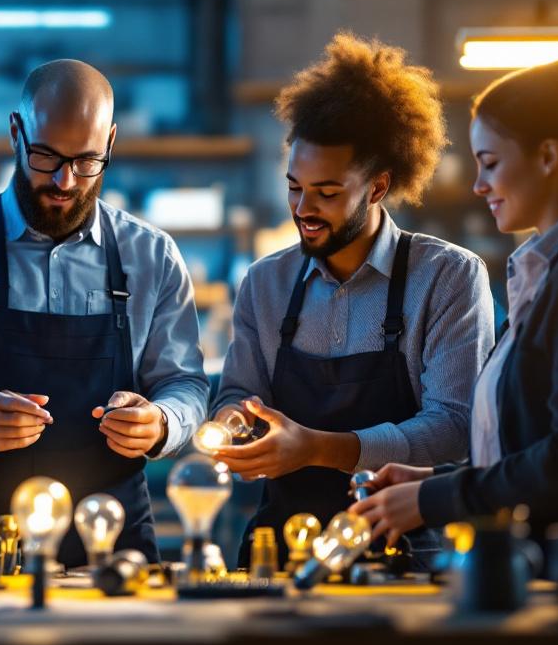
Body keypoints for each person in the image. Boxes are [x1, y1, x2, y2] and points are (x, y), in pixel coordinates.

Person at [351, 58, 558, 608]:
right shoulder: (557, 269)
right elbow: (535, 444)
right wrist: (434, 476)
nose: (480, 184)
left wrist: (435, 497)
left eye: (489, 163)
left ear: (550, 156)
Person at [0, 59, 209, 567]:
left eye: (86, 161)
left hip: (114, 548)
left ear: (111, 144)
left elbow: (186, 384)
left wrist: (162, 422)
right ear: (16, 132)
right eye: (45, 156)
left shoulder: (153, 256)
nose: (64, 181)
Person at [210, 33, 495, 564]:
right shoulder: (265, 283)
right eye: (294, 186)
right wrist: (233, 424)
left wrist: (317, 448)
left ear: (379, 186)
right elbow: (237, 394)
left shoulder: (448, 277)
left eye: (328, 192)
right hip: (282, 551)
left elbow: (455, 430)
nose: (304, 208)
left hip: (403, 552)